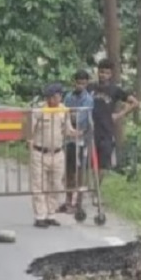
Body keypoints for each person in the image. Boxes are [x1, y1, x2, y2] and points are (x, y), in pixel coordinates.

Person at [28, 82, 78, 228]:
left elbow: (68, 129)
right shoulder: (39, 111)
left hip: (57, 152)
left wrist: (76, 132)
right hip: (40, 152)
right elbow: (30, 131)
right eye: (57, 96)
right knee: (39, 185)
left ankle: (51, 214)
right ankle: (40, 216)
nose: (59, 98)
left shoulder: (63, 110)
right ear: (49, 98)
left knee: (56, 185)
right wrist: (30, 146)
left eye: (60, 96)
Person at [89, 59, 139, 172]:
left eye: (107, 73)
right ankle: (88, 188)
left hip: (106, 131)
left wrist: (119, 115)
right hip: (90, 130)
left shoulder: (115, 90)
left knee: (102, 165)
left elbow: (135, 102)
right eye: (101, 72)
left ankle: (96, 189)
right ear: (98, 72)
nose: (103, 75)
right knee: (88, 164)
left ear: (111, 74)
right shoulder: (90, 87)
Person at [60, 70, 94, 213]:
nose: (80, 85)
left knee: (80, 171)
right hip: (69, 139)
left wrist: (72, 116)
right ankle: (68, 201)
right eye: (78, 82)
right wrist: (71, 116)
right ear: (74, 82)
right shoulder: (68, 96)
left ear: (87, 83)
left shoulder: (88, 99)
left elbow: (80, 118)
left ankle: (78, 202)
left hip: (82, 139)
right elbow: (65, 115)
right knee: (69, 171)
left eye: (83, 83)